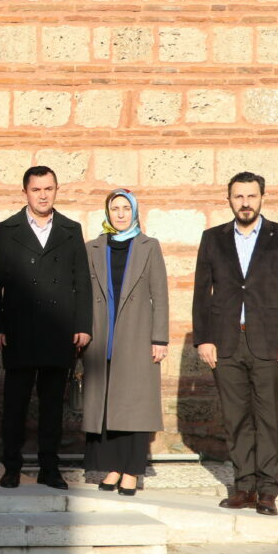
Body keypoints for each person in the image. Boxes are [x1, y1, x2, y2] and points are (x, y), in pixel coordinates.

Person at [193, 171, 278, 517]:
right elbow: (201, 293)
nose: (245, 203)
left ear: (261, 198)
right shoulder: (213, 238)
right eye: (239, 197)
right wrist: (203, 339)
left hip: (270, 343)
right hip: (226, 342)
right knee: (236, 418)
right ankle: (243, 486)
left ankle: (268, 490)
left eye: (251, 196)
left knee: (268, 418)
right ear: (229, 200)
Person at [0, 166, 91, 490]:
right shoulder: (7, 230)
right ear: (26, 192)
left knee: (52, 407)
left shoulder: (70, 229)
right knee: (15, 405)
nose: (43, 195)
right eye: (37, 189)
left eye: (49, 188)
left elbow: (82, 281)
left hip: (57, 329)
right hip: (19, 330)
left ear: (56, 189)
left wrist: (82, 325)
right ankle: (11, 466)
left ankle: (51, 468)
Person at [81, 190, 169, 496]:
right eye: (114, 208)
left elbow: (160, 295)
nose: (120, 214)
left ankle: (131, 470)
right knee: (107, 406)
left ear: (134, 211)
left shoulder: (149, 246)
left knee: (134, 405)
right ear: (107, 213)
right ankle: (113, 467)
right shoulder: (93, 247)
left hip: (137, 336)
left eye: (125, 208)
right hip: (102, 335)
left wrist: (159, 338)